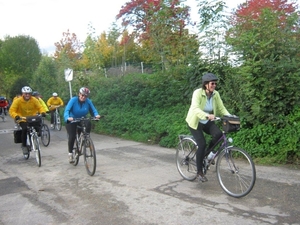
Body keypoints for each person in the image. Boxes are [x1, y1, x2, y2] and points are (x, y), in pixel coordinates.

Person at [185, 73, 231, 182]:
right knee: (202, 144)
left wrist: (230, 117)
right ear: (206, 84)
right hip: (195, 121)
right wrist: (206, 115)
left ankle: (207, 154)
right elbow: (195, 108)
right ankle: (199, 172)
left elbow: (221, 108)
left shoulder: (216, 94)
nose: (214, 85)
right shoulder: (197, 93)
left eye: (215, 83)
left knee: (218, 134)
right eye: (212, 83)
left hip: (207, 120)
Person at [64, 87, 100, 163]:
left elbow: (93, 110)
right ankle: (70, 154)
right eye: (82, 95)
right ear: (79, 94)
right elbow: (67, 110)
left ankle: (86, 138)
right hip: (72, 119)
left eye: (85, 96)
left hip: (81, 119)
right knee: (72, 136)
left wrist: (96, 115)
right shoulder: (73, 100)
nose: (83, 97)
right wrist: (67, 117)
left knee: (88, 122)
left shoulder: (88, 101)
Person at [9, 86, 46, 156]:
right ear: (23, 93)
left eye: (29, 93)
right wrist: (16, 116)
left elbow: (40, 107)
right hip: (22, 118)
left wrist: (43, 112)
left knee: (38, 127)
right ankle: (24, 146)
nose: (27, 95)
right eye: (26, 93)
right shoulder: (18, 101)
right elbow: (12, 110)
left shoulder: (34, 100)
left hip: (32, 117)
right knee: (24, 129)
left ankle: (35, 138)